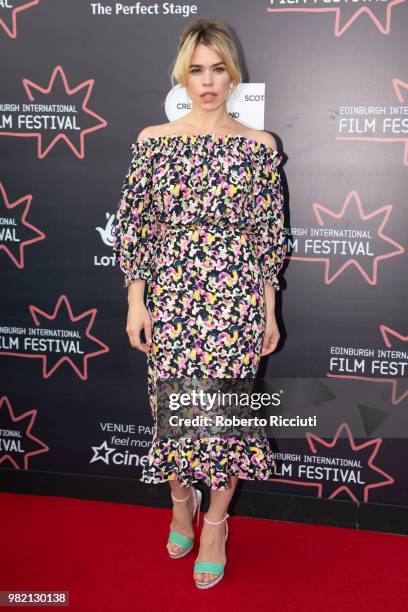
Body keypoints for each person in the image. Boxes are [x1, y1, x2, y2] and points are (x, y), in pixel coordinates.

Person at [112, 18, 287, 589]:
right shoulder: (153, 141)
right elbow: (136, 229)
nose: (208, 81)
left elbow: (267, 239)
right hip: (173, 299)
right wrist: (137, 301)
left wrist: (267, 310)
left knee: (226, 422)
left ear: (233, 75)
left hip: (235, 303)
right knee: (174, 414)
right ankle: (180, 501)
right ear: (182, 75)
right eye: (196, 69)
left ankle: (216, 524)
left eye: (218, 69)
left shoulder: (259, 147)